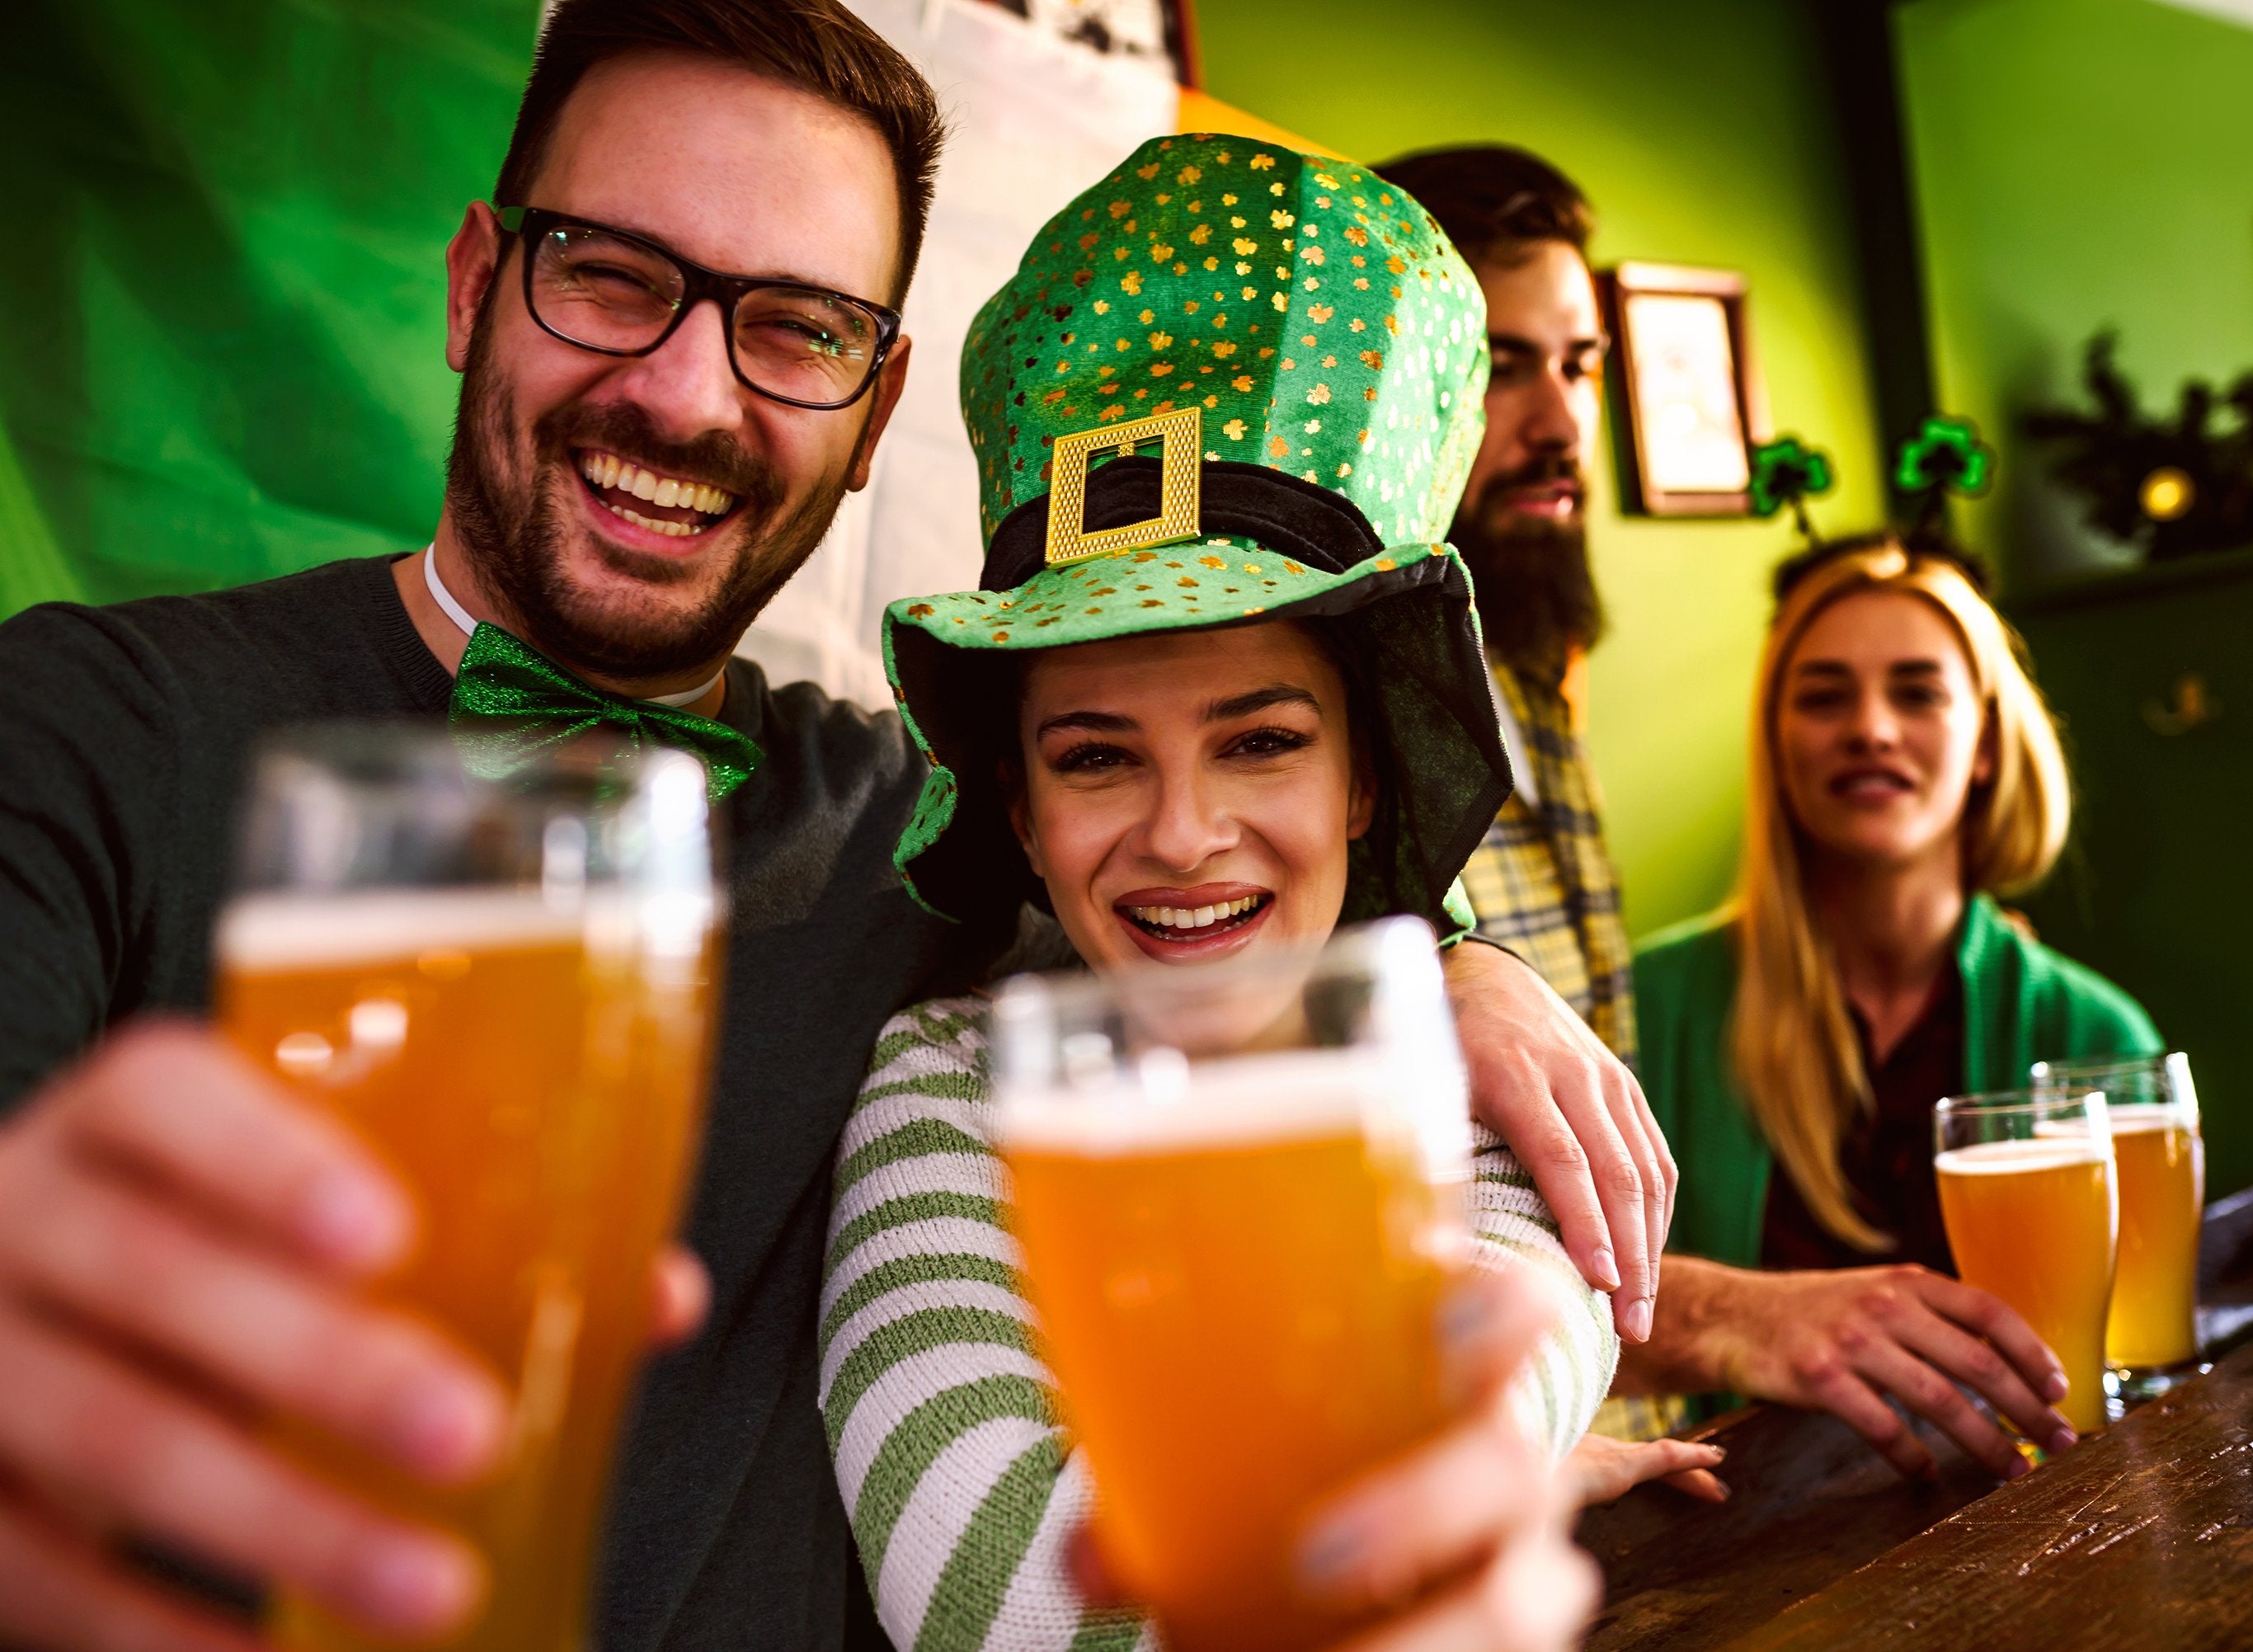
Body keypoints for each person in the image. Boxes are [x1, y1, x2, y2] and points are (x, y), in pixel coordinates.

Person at [0, 6, 1672, 1647]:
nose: (680, 390)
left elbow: (1217, 963)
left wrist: (1443, 961)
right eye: (608, 271)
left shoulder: (908, 822)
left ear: (874, 415)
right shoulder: (77, 728)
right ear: (471, 283)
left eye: (794, 325)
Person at [817, 136, 1724, 1652]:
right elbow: (1000, 1596)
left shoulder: (1476, 1077)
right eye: (1097, 754)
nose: (1182, 832)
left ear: (1364, 780)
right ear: (1023, 815)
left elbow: (1448, 1441)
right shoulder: (949, 1091)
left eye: (1261, 740)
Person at [1620, 537, 2162, 1480]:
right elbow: (1524, 1315)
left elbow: (2142, 1366)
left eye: (1917, 691)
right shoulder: (1649, 1008)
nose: (1870, 727)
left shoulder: (2097, 1037)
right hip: (1749, 1550)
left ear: (1987, 744)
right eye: (1825, 695)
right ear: (1776, 745)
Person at [1371, 146, 1636, 1077]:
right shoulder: (1303, 727)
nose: (1562, 426)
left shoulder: (1532, 676)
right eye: (1504, 367)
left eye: (1581, 365)